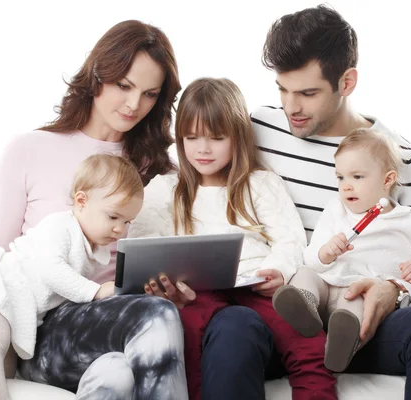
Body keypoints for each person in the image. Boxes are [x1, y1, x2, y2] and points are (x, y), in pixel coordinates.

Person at [0, 20, 194, 399]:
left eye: (150, 93)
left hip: (118, 326)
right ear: (96, 75)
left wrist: (174, 290)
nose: (134, 104)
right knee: (157, 316)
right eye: (123, 85)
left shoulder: (161, 172)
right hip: (41, 331)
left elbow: (162, 265)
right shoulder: (29, 149)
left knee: (117, 377)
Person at [251, 5, 411, 399]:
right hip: (285, 313)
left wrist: (394, 291)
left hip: (361, 324)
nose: (291, 107)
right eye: (282, 90)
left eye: (307, 93)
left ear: (347, 81)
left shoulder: (401, 159)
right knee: (232, 327)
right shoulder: (259, 130)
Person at [128, 77, 336, 400]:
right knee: (191, 352)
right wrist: (161, 285)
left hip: (257, 288)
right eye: (191, 137)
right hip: (196, 294)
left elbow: (290, 239)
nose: (203, 149)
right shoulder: (165, 189)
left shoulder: (260, 184)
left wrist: (278, 270)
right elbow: (141, 245)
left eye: (216, 137)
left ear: (237, 136)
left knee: (309, 343)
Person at [0, 155, 161, 400]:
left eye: (128, 221)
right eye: (113, 217)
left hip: (11, 304)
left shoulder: (95, 250)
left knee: (7, 368)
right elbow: (51, 270)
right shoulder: (60, 227)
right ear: (81, 201)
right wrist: (95, 291)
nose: (120, 229)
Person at [273, 128, 411, 373]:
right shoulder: (335, 210)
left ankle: (342, 346)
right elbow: (310, 258)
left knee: (355, 310)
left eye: (357, 177)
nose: (346, 186)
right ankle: (304, 310)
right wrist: (325, 253)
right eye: (341, 178)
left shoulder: (408, 220)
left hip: (359, 291)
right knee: (304, 275)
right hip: (325, 282)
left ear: (387, 180)